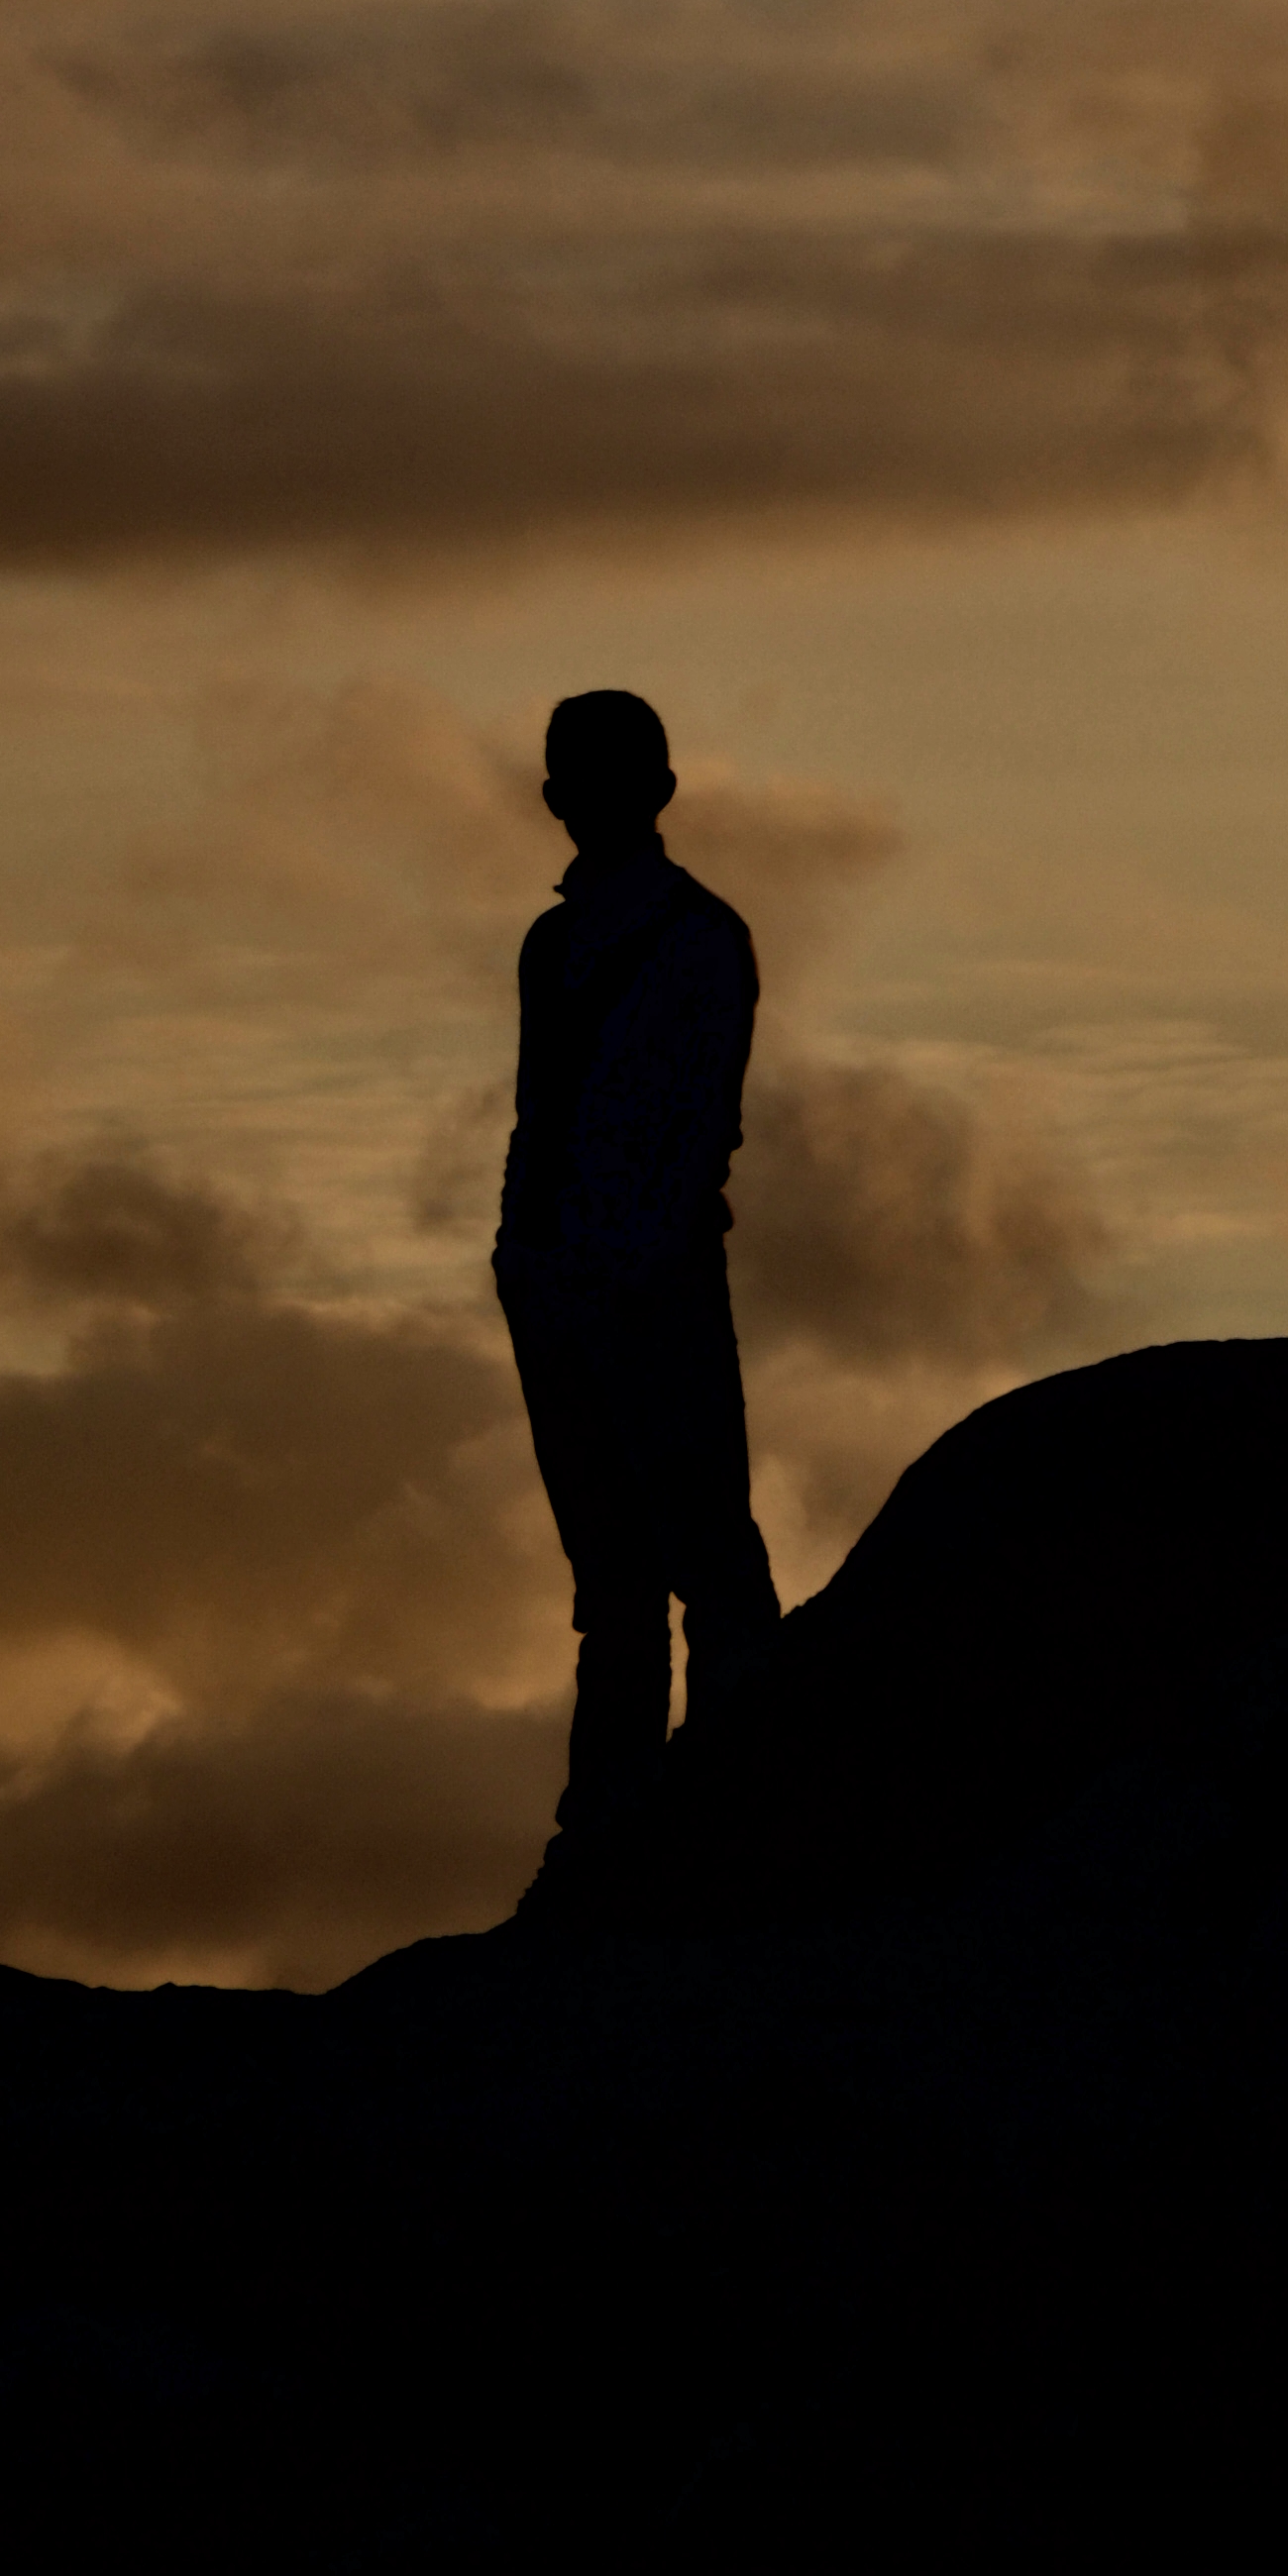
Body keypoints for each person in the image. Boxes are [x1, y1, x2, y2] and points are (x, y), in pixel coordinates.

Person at [494, 688, 785, 1837]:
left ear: (656, 791)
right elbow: (537, 1113)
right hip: (562, 1285)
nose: (586, 798)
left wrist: (633, 1254)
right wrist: (522, 1253)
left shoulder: (701, 937)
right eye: (574, 777)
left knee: (705, 1551)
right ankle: (610, 1817)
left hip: (652, 1283)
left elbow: (704, 1118)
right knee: (612, 1571)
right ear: (556, 795)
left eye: (607, 775)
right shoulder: (553, 942)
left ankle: (735, 1798)